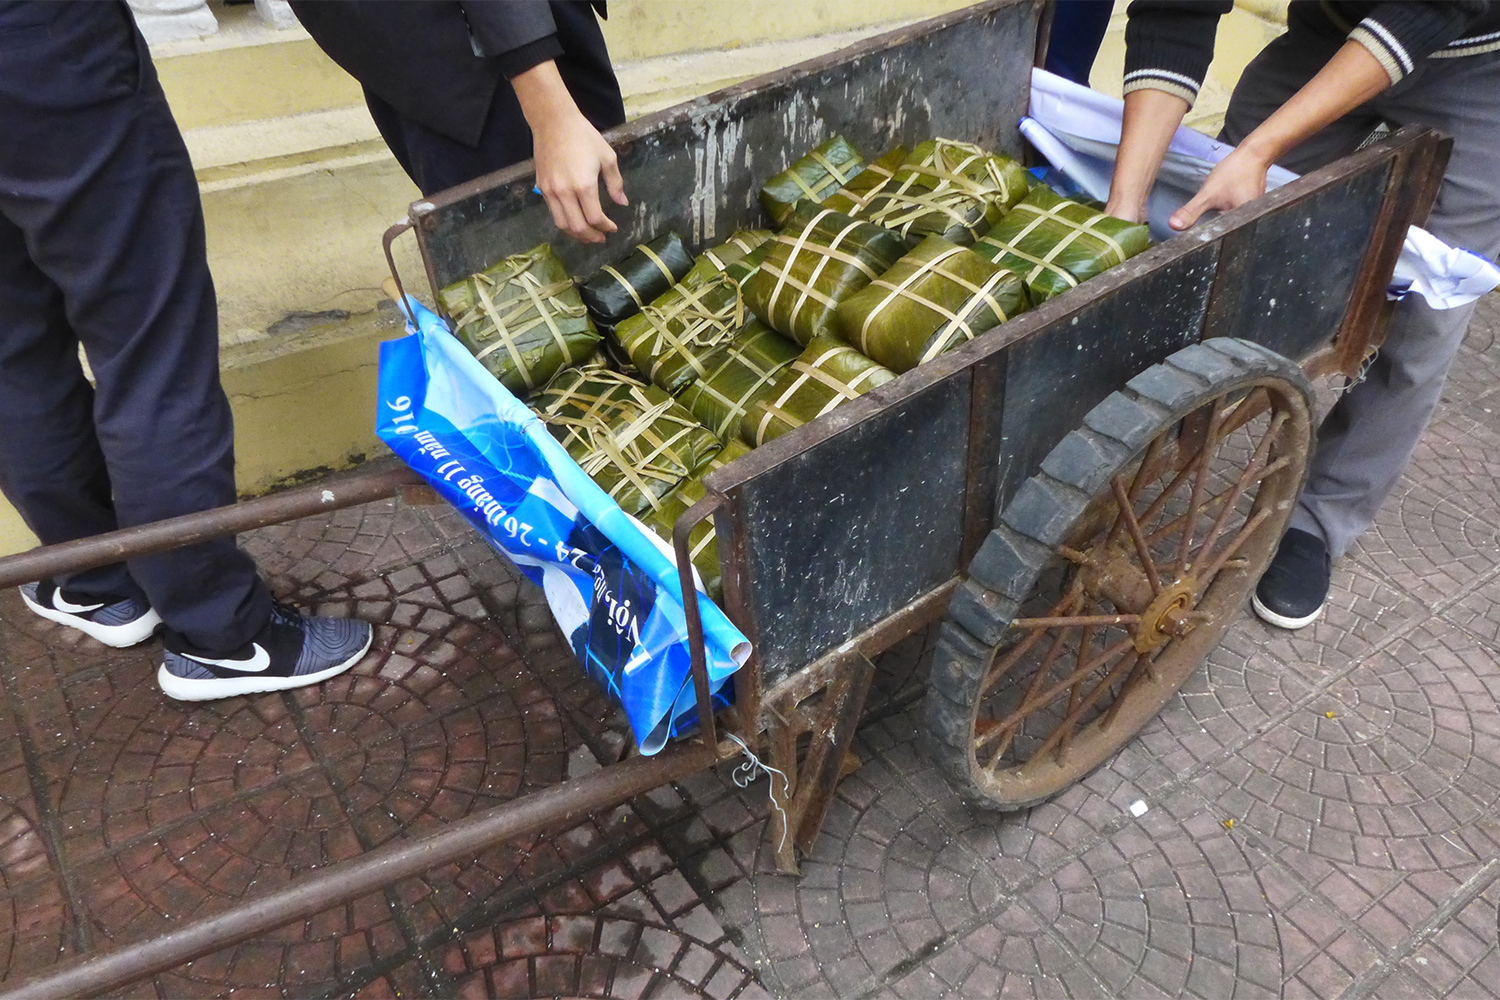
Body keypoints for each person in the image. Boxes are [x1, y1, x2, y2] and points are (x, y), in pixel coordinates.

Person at [0, 0, 372, 699]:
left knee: (11, 348)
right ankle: (222, 634)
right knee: (151, 348)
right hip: (40, 48)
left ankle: (97, 578)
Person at [1105, 0, 1500, 629]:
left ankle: (1320, 519)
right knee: (1224, 237)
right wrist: (1121, 214)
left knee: (1427, 308)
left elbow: (1438, 8)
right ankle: (1164, 426)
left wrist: (1262, 149)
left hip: (1481, 61)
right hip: (1330, 27)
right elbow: (1176, 12)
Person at [289, 0, 629, 245]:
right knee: (511, 272)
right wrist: (553, 120)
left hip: (535, 21)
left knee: (608, 232)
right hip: (454, 47)